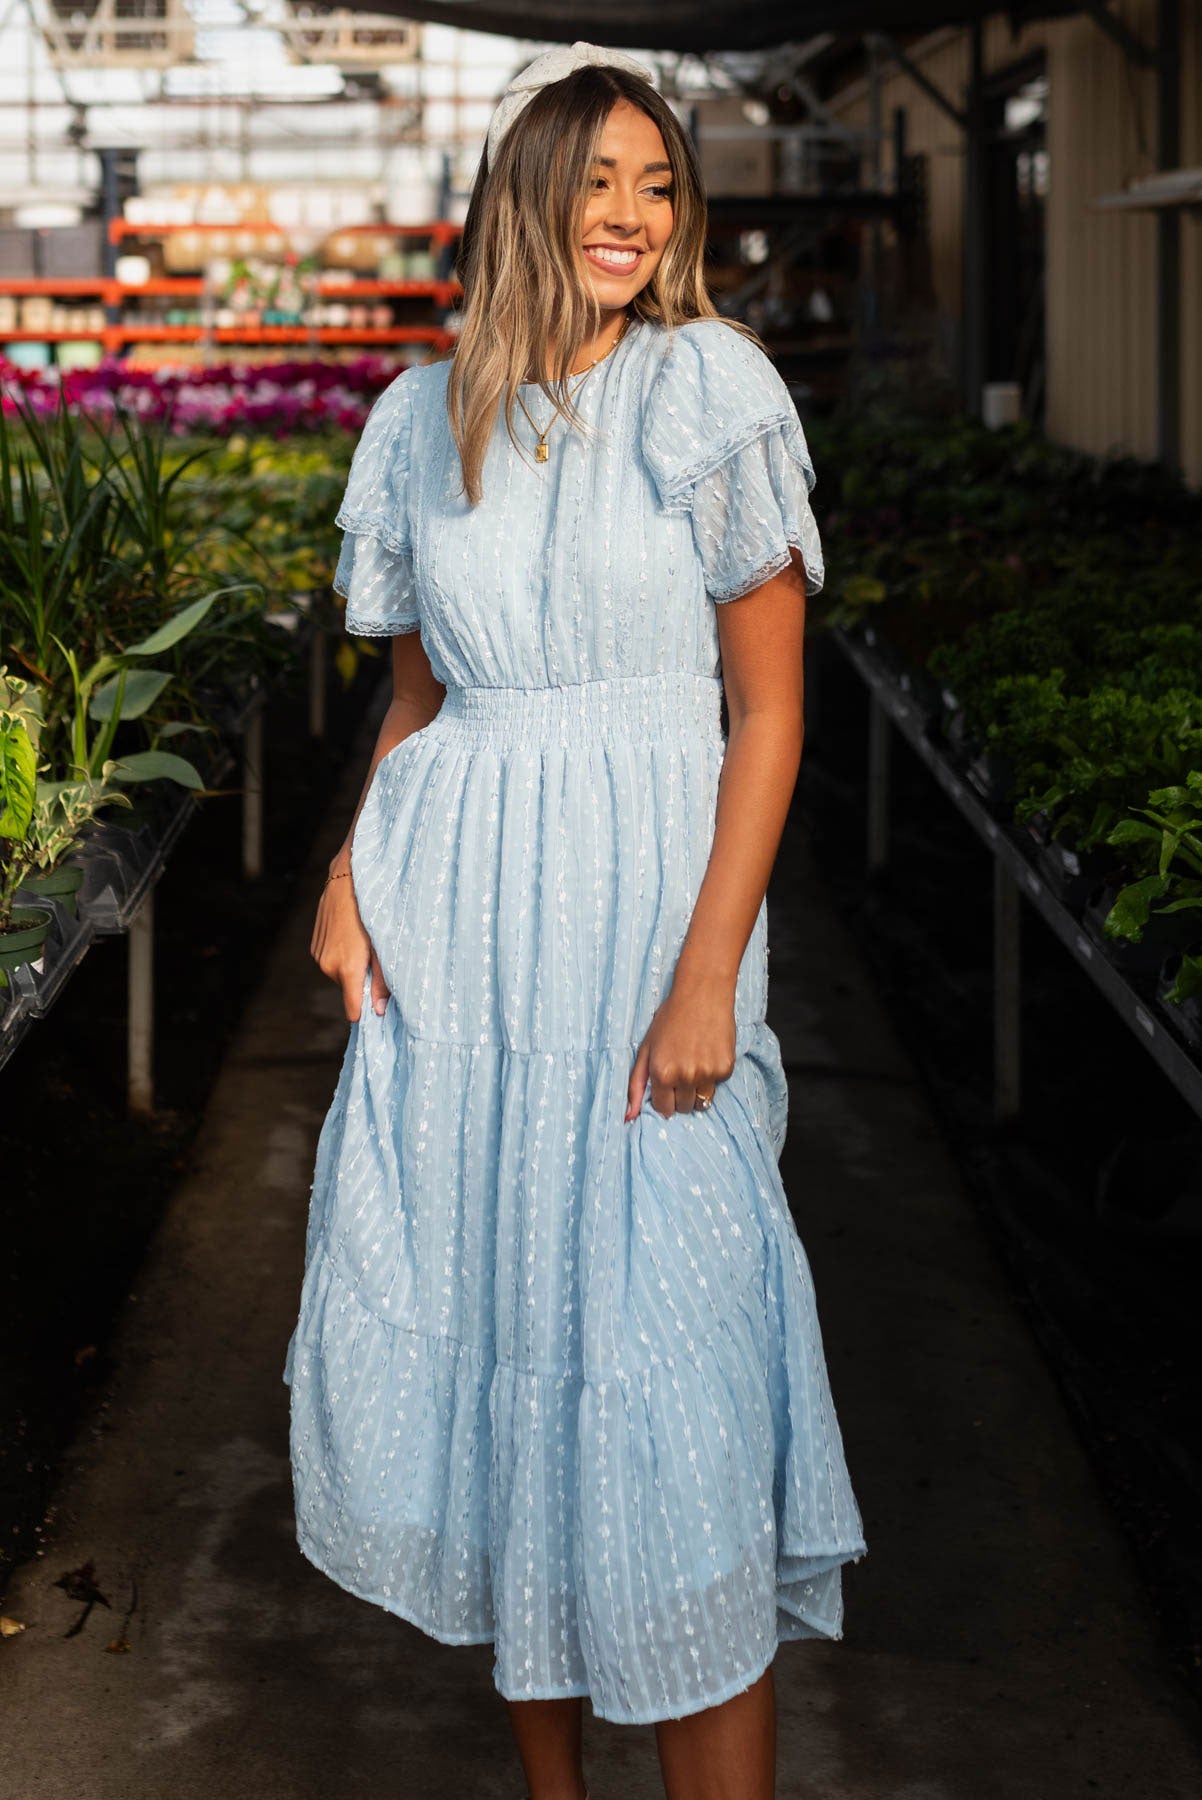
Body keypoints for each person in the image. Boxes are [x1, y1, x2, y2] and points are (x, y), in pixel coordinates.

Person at [283, 41, 866, 1800]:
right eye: (596, 178)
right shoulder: (419, 415)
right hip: (458, 944)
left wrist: (709, 976)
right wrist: (342, 875)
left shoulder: (708, 389)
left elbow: (765, 712)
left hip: (644, 939)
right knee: (507, 1361)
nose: (628, 215)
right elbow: (417, 706)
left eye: (655, 184)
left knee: (677, 1386)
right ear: (522, 194)